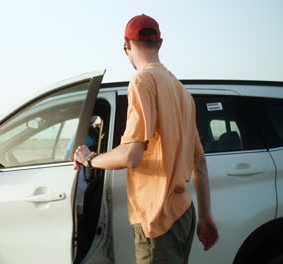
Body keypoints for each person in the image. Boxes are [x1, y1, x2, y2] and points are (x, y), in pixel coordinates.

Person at [73, 14, 219, 264]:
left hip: (157, 216)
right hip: (184, 212)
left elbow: (132, 154)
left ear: (126, 46)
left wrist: (90, 158)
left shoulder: (142, 80)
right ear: (160, 43)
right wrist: (205, 216)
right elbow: (200, 162)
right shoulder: (182, 92)